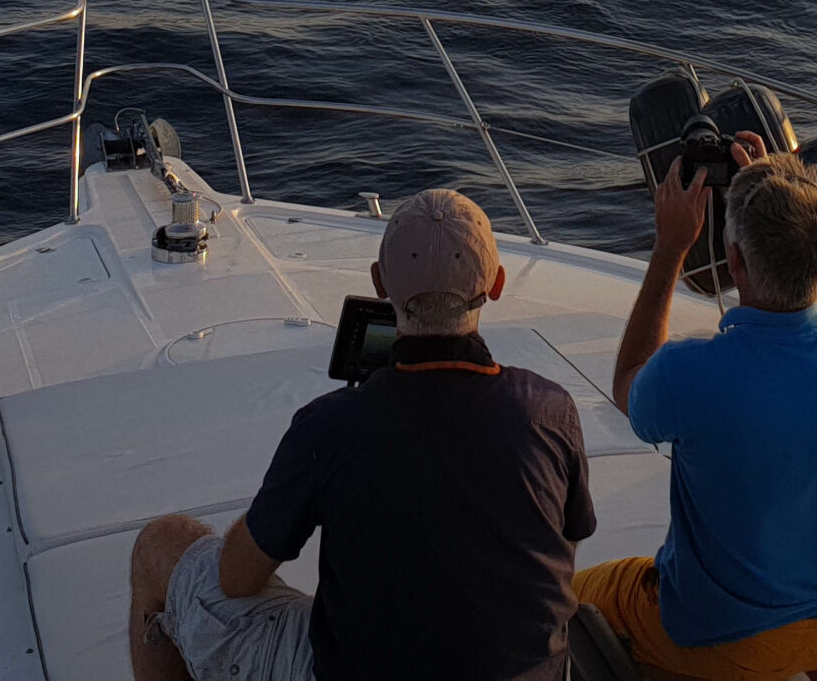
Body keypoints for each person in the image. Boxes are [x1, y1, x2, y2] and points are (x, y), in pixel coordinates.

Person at [128, 188, 596, 681]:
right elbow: (556, 549)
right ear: (497, 284)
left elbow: (235, 578)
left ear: (379, 284)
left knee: (162, 543)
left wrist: (293, 493)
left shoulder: (331, 428)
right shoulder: (551, 411)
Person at [579, 134, 817, 681]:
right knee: (812, 639)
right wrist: (783, 197)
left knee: (570, 597)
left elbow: (629, 386)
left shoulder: (691, 373)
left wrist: (669, 249)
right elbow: (805, 297)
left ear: (733, 262)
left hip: (725, 639)